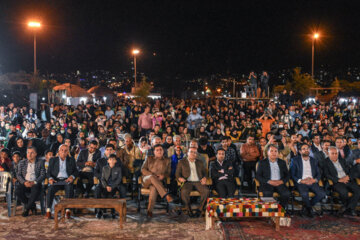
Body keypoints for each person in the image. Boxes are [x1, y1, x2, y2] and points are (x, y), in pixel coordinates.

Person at [290, 143, 326, 218]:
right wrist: (300, 181)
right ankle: (309, 209)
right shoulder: (295, 160)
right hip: (301, 182)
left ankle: (306, 207)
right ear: (300, 151)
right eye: (304, 149)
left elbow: (319, 173)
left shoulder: (314, 160)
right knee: (304, 194)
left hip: (312, 181)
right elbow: (292, 174)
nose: (306, 150)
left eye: (307, 148)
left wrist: (315, 180)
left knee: (322, 194)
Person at [324, 147, 360, 216]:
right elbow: (326, 174)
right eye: (332, 153)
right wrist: (338, 180)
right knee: (344, 192)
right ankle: (350, 209)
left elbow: (350, 170)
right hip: (337, 182)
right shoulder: (325, 162)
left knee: (358, 190)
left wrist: (348, 177)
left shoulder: (342, 160)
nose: (335, 155)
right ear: (328, 154)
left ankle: (348, 208)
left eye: (336, 153)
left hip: (347, 179)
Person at [46, 144, 78, 219]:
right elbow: (48, 172)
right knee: (50, 189)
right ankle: (48, 210)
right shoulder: (53, 160)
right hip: (56, 180)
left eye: (66, 151)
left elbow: (76, 171)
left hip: (66, 180)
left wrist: (71, 177)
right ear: (59, 151)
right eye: (62, 150)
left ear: (68, 152)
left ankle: (67, 209)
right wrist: (50, 178)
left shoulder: (71, 159)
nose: (63, 152)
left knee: (70, 188)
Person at [141, 144, 173, 217]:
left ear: (163, 151)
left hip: (158, 182)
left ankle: (149, 211)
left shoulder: (167, 160)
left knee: (154, 188)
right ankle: (166, 195)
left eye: (160, 150)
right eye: (157, 150)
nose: (159, 151)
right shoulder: (149, 158)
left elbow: (168, 173)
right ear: (154, 152)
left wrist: (163, 176)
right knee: (152, 177)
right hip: (147, 179)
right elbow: (143, 169)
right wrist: (152, 175)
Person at [176, 147, 209, 217]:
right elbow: (177, 173)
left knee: (206, 191)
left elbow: (205, 172)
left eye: (195, 152)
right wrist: (179, 178)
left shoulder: (199, 162)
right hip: (187, 182)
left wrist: (204, 178)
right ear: (187, 153)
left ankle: (200, 209)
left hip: (198, 181)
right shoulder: (181, 162)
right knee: (184, 192)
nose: (193, 154)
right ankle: (188, 210)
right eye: (191, 152)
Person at [255, 144, 291, 209]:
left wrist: (282, 181)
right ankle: (269, 209)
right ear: (267, 153)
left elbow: (287, 175)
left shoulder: (282, 162)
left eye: (275, 151)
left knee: (286, 194)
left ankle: (281, 208)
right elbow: (258, 176)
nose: (274, 153)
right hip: (267, 183)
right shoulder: (262, 163)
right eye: (271, 151)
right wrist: (268, 181)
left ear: (278, 153)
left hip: (280, 183)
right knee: (267, 193)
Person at [15, 147, 46, 217]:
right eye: (28, 152)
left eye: (31, 153)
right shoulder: (22, 162)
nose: (29, 154)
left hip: (35, 183)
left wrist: (34, 182)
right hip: (25, 183)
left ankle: (27, 209)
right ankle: (32, 205)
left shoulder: (40, 162)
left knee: (35, 189)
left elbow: (43, 174)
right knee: (17, 191)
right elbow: (18, 175)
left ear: (35, 154)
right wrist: (24, 182)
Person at [95, 154, 122, 219]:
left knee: (113, 193)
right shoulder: (105, 168)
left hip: (113, 186)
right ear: (108, 161)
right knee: (97, 190)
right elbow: (102, 179)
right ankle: (99, 210)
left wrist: (112, 187)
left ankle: (113, 211)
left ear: (115, 161)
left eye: (113, 160)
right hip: (105, 186)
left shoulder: (118, 169)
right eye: (110, 159)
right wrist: (106, 186)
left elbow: (119, 179)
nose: (112, 161)